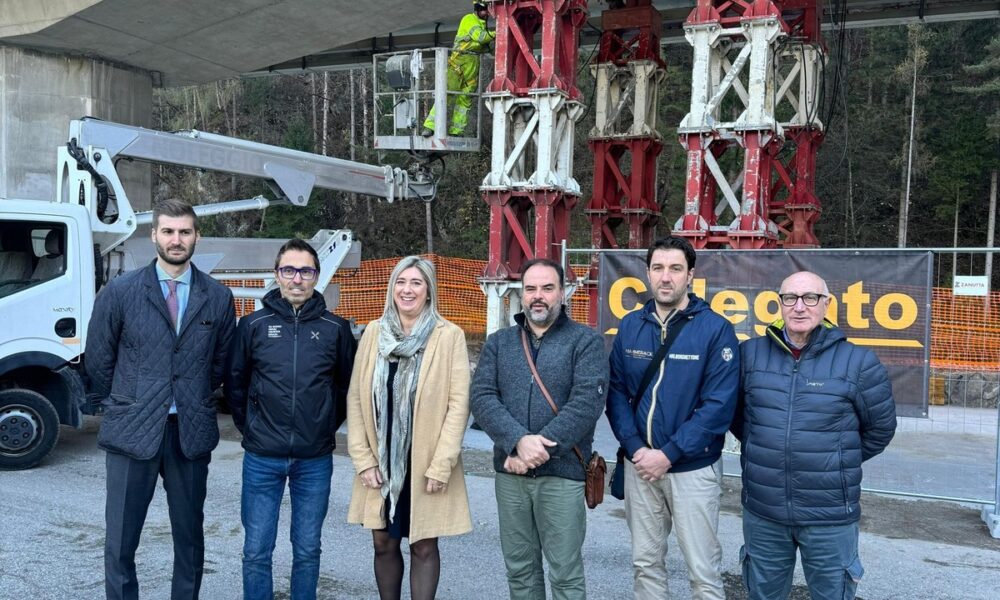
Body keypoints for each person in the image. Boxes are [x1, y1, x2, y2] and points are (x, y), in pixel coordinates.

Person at [85, 198, 236, 600]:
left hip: (188, 434)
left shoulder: (218, 298)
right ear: (153, 235)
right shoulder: (119, 292)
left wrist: (194, 398)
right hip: (131, 432)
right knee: (120, 540)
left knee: (189, 538)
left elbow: (219, 363)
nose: (176, 239)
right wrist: (127, 402)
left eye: (184, 231)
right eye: (168, 231)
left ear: (196, 237)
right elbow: (99, 361)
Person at [732, 271, 896, 600]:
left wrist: (835, 456)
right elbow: (737, 417)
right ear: (778, 304)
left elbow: (880, 429)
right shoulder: (749, 356)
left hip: (830, 516)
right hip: (765, 512)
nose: (799, 307)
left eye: (810, 298)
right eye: (790, 298)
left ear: (826, 304)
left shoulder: (858, 362)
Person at [606, 236, 740, 600]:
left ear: (690, 275)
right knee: (645, 565)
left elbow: (718, 408)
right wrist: (636, 449)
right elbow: (616, 393)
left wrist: (668, 454)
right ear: (648, 273)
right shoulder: (631, 325)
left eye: (675, 269)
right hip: (640, 467)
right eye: (658, 268)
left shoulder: (716, 330)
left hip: (692, 469)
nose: (666, 277)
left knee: (703, 571)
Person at [224, 238, 357, 600]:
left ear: (317, 277)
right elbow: (235, 383)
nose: (297, 279)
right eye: (289, 270)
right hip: (262, 457)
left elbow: (346, 387)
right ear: (276, 275)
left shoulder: (335, 329)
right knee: (255, 551)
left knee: (308, 550)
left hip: (314, 459)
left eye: (306, 271)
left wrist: (323, 425)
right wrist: (250, 427)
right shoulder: (252, 325)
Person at [470, 258, 608, 600]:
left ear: (562, 292)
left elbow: (586, 404)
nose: (538, 296)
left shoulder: (586, 342)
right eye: (530, 288)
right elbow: (483, 397)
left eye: (547, 288)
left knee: (564, 573)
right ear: (522, 293)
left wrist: (537, 450)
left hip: (562, 476)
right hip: (511, 474)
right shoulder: (500, 343)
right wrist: (517, 442)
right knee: (520, 570)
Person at [346, 256, 472, 600]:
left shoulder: (449, 337)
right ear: (391, 289)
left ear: (429, 291)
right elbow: (356, 399)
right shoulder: (373, 333)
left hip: (425, 461)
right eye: (401, 282)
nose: (407, 289)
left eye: (416, 282)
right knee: (383, 542)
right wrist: (364, 460)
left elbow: (458, 406)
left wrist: (441, 464)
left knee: (423, 545)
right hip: (380, 457)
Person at [421, 2, 494, 137]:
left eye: (488, 11)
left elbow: (488, 47)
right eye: (485, 11)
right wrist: (499, 32)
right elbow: (481, 38)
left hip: (472, 67)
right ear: (477, 9)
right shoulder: (469, 20)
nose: (487, 14)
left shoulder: (483, 25)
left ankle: (457, 131)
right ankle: (430, 127)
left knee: (465, 102)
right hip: (458, 64)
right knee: (446, 95)